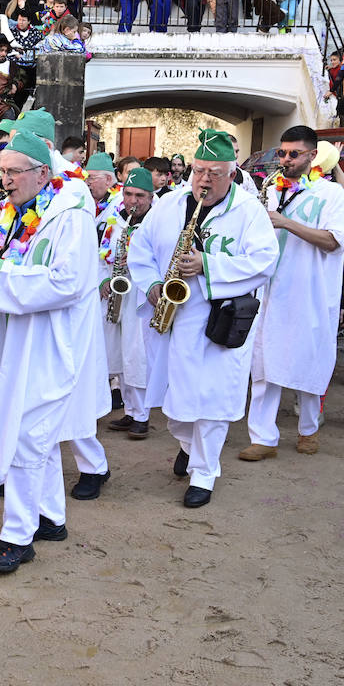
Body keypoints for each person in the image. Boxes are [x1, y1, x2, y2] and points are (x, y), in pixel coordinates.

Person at [0, 130, 109, 571]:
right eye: (1, 171)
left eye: (12, 173)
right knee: (32, 431)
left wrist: (0, 271)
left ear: (43, 173)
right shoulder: (24, 207)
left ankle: (16, 536)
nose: (3, 180)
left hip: (53, 341)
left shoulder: (72, 215)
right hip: (24, 335)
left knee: (28, 434)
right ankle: (51, 517)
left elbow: (69, 281)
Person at [129, 129, 278, 506]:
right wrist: (149, 285)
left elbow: (264, 262)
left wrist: (207, 265)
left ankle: (204, 472)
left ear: (231, 173)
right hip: (172, 317)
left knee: (211, 399)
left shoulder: (248, 211)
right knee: (174, 399)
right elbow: (141, 245)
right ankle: (188, 444)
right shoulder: (170, 203)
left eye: (214, 172)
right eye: (198, 171)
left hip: (219, 322)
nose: (204, 180)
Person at [241, 126, 344, 461]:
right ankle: (263, 437)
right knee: (263, 363)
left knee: (308, 361)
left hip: (310, 293)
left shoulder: (330, 194)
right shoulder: (270, 191)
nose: (286, 160)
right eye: (282, 153)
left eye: (294, 154)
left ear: (312, 156)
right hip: (270, 291)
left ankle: (308, 429)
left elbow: (334, 241)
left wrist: (285, 222)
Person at [102, 167, 154, 438]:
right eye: (129, 194)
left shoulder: (156, 222)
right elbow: (105, 254)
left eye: (140, 196)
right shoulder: (117, 220)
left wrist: (134, 263)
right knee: (119, 354)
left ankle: (142, 416)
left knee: (137, 354)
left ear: (150, 196)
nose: (133, 200)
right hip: (117, 293)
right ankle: (130, 410)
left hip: (141, 296)